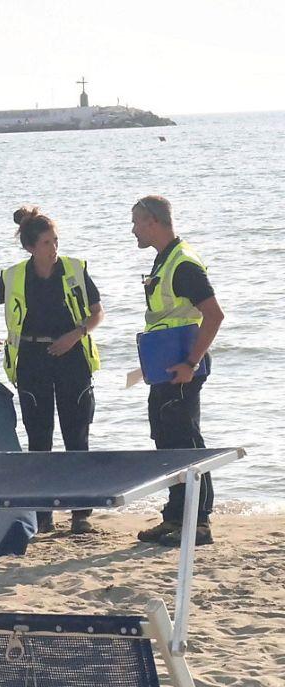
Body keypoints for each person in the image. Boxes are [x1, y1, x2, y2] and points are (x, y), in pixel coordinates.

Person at [0, 207, 104, 534]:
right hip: (33, 360)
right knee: (39, 438)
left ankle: (81, 514)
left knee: (77, 435)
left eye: (56, 241)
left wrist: (74, 335)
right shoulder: (15, 275)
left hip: (72, 357)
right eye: (47, 242)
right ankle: (44, 514)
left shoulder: (74, 270)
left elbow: (96, 313)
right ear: (31, 247)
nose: (54, 248)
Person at [132, 195, 224, 547]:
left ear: (153, 221)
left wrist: (191, 363)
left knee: (187, 443)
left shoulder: (183, 264)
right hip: (164, 368)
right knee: (166, 441)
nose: (133, 230)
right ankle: (175, 516)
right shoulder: (163, 259)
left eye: (137, 222)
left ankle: (199, 523)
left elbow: (214, 316)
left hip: (183, 370)